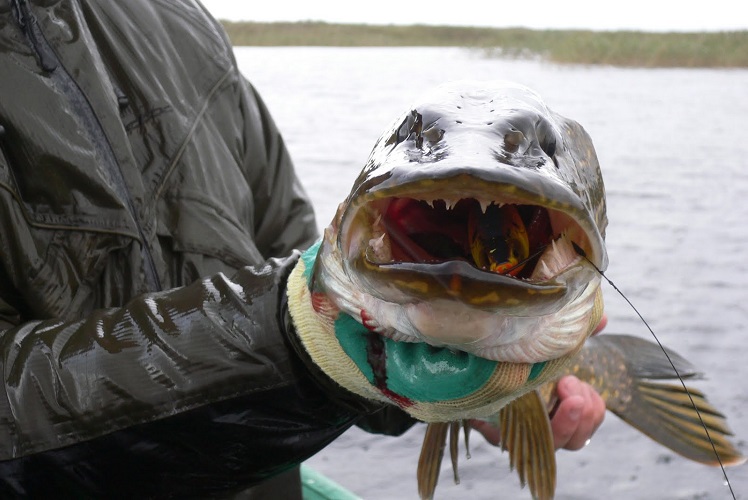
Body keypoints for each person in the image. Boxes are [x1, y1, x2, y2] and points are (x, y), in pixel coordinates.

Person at [0, 0, 605, 497]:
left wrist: (444, 390)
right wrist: (307, 343)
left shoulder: (180, 29)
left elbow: (292, 258)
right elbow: (296, 314)